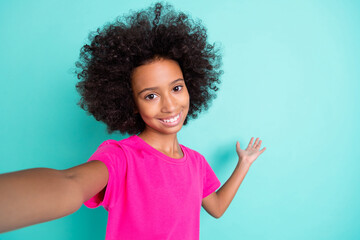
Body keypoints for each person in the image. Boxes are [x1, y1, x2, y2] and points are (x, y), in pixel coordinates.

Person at [0, 2, 266, 239]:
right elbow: (70, 182)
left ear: (190, 86)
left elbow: (216, 208)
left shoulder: (196, 163)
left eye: (176, 88)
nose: (170, 105)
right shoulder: (122, 158)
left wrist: (244, 163)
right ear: (130, 103)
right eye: (151, 95)